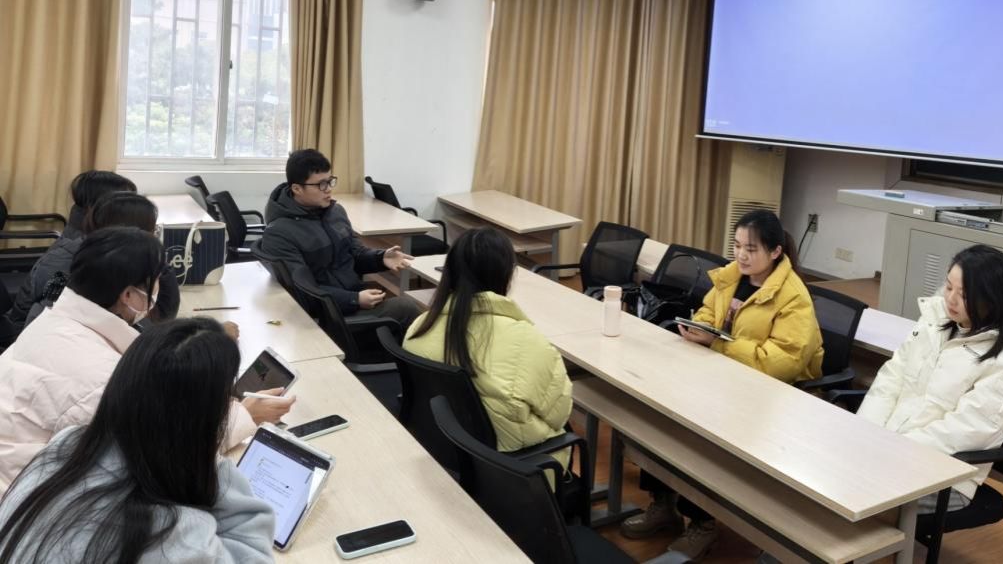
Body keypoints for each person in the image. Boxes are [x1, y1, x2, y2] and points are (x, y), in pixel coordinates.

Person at [0, 227, 292, 494]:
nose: (158, 289)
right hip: (27, 505)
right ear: (128, 294)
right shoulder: (102, 379)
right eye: (155, 281)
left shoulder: (54, 322)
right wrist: (243, 416)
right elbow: (162, 462)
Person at [622, 209, 824, 559]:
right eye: (737, 246)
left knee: (698, 433)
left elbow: (780, 363)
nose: (741, 255)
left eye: (751, 249)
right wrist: (698, 326)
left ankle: (702, 523)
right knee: (659, 411)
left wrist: (717, 343)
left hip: (768, 395)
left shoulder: (793, 297)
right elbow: (707, 312)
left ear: (776, 252)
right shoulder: (732, 277)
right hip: (720, 375)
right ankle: (663, 503)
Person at [0, 317, 274, 562]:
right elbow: (251, 552)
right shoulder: (172, 538)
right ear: (206, 419)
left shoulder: (68, 445)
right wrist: (207, 461)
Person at [857, 244, 1003, 512]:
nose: (951, 299)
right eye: (948, 287)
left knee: (853, 494)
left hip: (943, 477)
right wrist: (865, 435)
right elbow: (891, 380)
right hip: (889, 452)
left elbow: (964, 431)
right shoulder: (935, 322)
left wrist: (889, 452)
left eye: (964, 295)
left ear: (993, 300)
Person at [404, 228, 573, 457]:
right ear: (506, 274)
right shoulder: (527, 340)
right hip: (514, 466)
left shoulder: (419, 327)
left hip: (442, 449)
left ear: (450, 271)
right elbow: (560, 414)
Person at [253, 148, 420, 329]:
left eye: (330, 181)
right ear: (297, 189)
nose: (329, 189)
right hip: (325, 313)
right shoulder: (279, 233)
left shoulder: (335, 212)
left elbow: (354, 253)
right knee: (407, 308)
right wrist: (354, 300)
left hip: (349, 294)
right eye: (321, 184)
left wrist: (380, 258)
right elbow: (302, 289)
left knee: (412, 314)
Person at [19, 192, 182, 328]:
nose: (154, 237)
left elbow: (163, 317)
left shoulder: (115, 260)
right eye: (152, 231)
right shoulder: (70, 270)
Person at [9, 171, 135, 327]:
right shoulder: (73, 256)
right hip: (31, 330)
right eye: (127, 202)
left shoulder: (87, 236)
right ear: (101, 208)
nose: (133, 208)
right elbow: (44, 316)